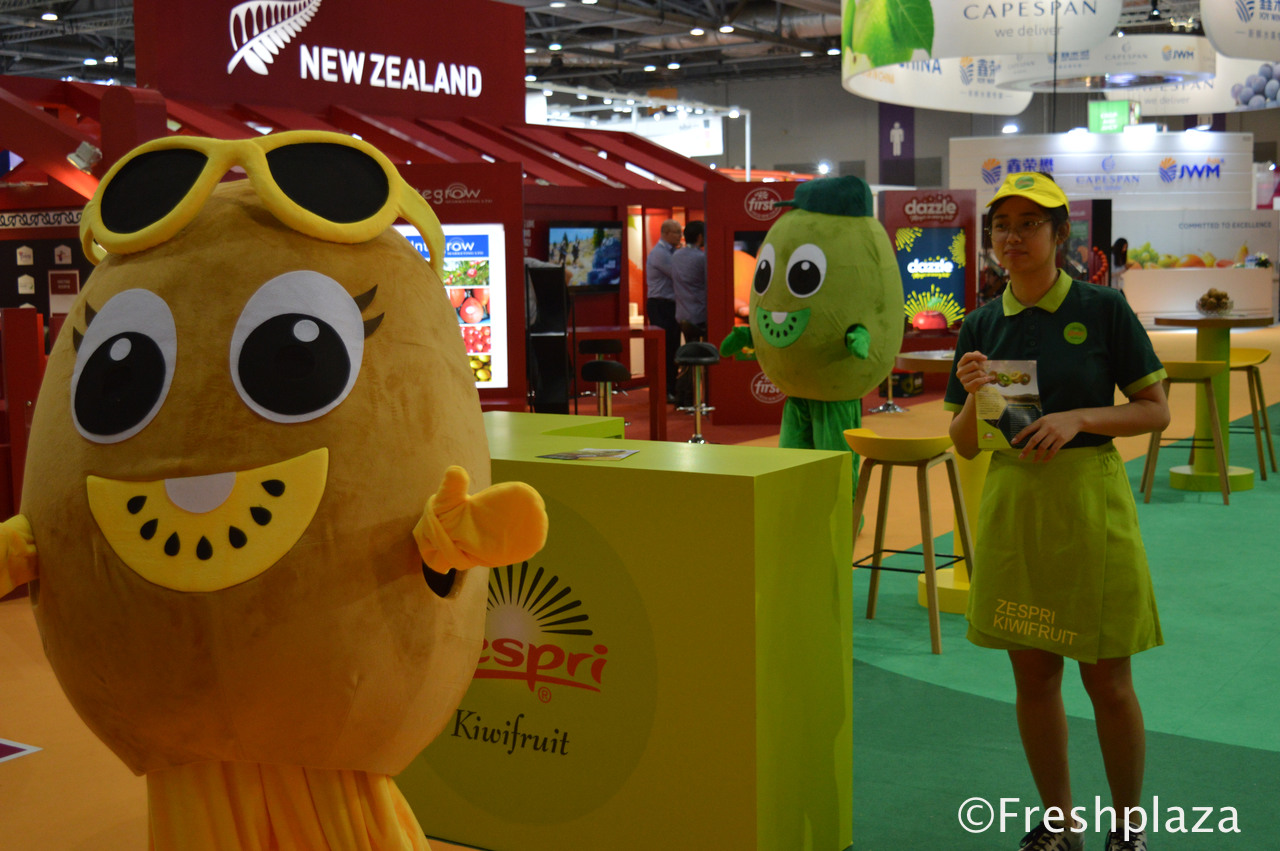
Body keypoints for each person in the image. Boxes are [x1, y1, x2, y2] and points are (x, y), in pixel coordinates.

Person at [944, 172, 1169, 851]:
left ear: (1060, 234)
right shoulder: (981, 323)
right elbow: (965, 442)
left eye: (1029, 224)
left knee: (1108, 679)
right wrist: (971, 394)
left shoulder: (1103, 308)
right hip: (1015, 507)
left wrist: (1079, 418)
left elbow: (1155, 409)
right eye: (1001, 225)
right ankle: (1061, 824)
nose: (1012, 237)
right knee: (1034, 676)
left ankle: (1127, 829)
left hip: (1089, 502)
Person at [645, 219, 683, 404]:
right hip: (660, 305)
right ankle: (664, 390)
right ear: (666, 233)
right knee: (665, 349)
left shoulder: (673, 252)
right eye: (677, 232)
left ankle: (672, 388)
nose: (680, 236)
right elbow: (679, 274)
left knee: (673, 348)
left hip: (671, 305)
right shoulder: (660, 254)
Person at [672, 219, 707, 342]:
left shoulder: (675, 256)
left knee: (691, 346)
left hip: (682, 315)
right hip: (700, 315)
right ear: (700, 237)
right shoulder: (702, 258)